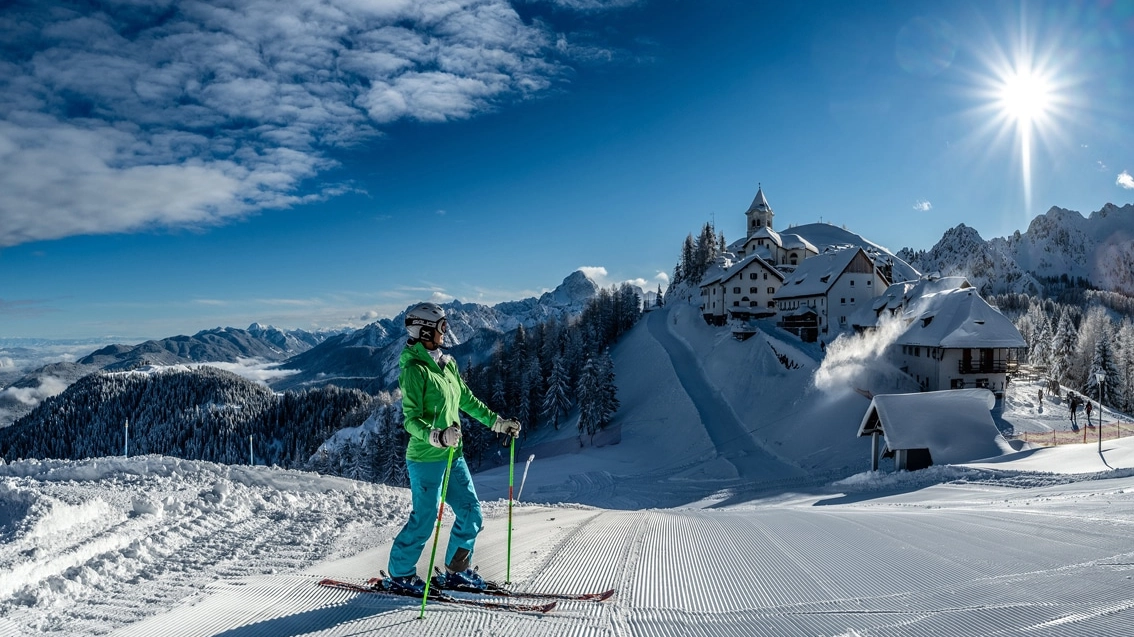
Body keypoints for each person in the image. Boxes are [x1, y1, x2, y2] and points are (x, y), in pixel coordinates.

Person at [384, 302, 522, 595]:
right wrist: (435, 436)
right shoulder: (414, 369)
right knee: (424, 520)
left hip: (452, 456)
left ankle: (457, 572)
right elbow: (411, 421)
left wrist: (498, 423)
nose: (446, 332)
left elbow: (467, 400)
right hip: (425, 458)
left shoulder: (447, 364)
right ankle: (400, 574)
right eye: (442, 327)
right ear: (424, 331)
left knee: (471, 513)